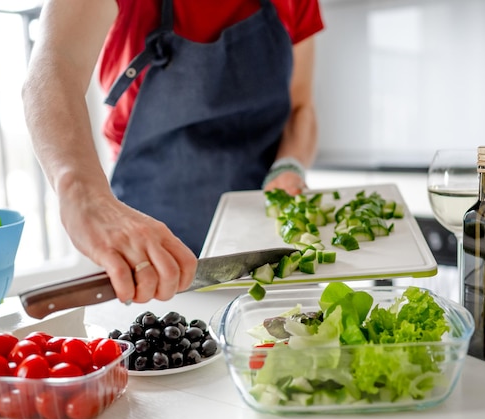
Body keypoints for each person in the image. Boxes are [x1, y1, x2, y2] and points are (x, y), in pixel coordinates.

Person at [22, 0, 324, 305]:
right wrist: (83, 192)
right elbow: (54, 64)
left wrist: (289, 165)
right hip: (149, 248)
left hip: (265, 239)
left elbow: (301, 108)